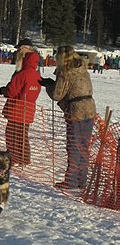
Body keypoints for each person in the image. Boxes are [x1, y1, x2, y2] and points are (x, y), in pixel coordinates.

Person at [40, 45, 96, 189]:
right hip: (89, 109)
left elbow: (57, 94)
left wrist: (48, 84)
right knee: (84, 146)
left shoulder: (66, 72)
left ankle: (70, 181)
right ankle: (81, 180)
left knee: (73, 147)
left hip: (76, 111)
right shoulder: (82, 68)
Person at [0, 39, 42, 166]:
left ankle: (14, 158)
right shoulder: (36, 74)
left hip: (16, 108)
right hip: (28, 109)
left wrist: (5, 90)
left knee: (12, 134)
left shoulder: (23, 74)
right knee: (22, 135)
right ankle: (24, 158)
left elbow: (12, 91)